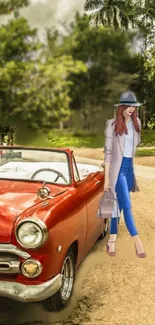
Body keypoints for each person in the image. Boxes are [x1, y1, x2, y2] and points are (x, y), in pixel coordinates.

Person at [104, 90, 146, 258]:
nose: (131, 109)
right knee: (127, 205)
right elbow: (107, 152)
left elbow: (136, 143)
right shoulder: (112, 125)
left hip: (129, 169)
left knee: (119, 205)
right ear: (121, 107)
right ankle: (137, 241)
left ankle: (111, 240)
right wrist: (106, 178)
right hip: (117, 170)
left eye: (133, 106)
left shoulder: (137, 124)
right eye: (128, 106)